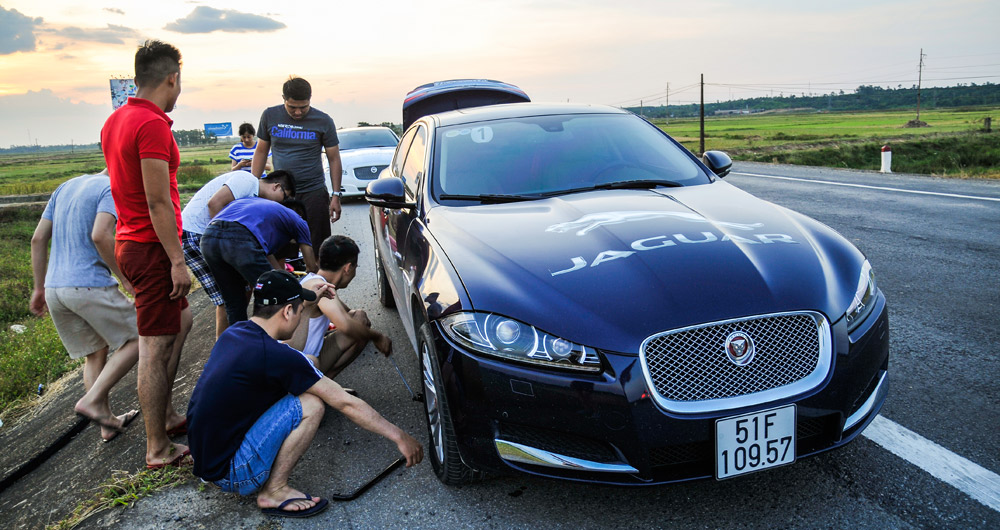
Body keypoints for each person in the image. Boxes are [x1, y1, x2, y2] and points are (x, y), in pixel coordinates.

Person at [186, 270, 422, 518]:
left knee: (309, 361)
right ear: (287, 311)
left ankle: (261, 476)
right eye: (299, 310)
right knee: (312, 403)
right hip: (234, 471)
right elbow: (345, 402)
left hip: (208, 457)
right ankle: (274, 491)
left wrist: (307, 303)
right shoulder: (275, 356)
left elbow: (289, 357)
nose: (300, 316)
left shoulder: (237, 333)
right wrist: (399, 436)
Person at [101, 39, 192, 469]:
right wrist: (177, 260)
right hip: (151, 246)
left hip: (131, 241)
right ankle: (157, 448)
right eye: (180, 79)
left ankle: (167, 416)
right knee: (154, 346)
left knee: (183, 320)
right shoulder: (153, 125)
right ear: (171, 76)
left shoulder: (115, 121)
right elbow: (158, 201)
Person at [29, 171, 140, 442]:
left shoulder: (66, 185)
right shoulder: (112, 187)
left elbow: (38, 239)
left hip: (56, 289)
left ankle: (107, 423)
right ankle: (91, 400)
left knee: (95, 351)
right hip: (88, 285)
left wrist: (39, 287)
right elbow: (101, 236)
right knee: (141, 336)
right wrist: (123, 277)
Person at [180, 170, 294, 337]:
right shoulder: (247, 180)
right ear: (277, 187)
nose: (281, 204)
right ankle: (224, 349)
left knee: (241, 290)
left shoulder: (253, 198)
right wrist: (224, 240)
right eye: (284, 198)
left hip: (206, 235)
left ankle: (235, 341)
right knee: (226, 296)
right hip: (195, 233)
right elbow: (215, 204)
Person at [251, 76, 343, 251]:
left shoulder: (323, 121)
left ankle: (317, 277)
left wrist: (336, 195)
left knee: (319, 245)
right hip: (279, 193)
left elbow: (334, 158)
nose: (298, 113)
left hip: (313, 191)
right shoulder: (270, 116)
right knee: (281, 245)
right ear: (284, 99)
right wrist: (252, 185)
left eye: (303, 107)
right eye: (292, 107)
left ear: (310, 100)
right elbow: (261, 151)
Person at [200, 197, 318, 326]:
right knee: (276, 292)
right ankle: (276, 337)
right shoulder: (299, 221)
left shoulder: (260, 212)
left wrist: (285, 279)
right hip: (239, 238)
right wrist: (315, 282)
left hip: (208, 239)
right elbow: (311, 266)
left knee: (233, 301)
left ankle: (239, 342)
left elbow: (273, 269)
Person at [286, 235, 392, 377]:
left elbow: (347, 313)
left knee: (359, 318)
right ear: (347, 268)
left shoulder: (313, 280)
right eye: (355, 267)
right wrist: (378, 337)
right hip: (296, 365)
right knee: (358, 323)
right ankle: (319, 389)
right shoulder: (320, 287)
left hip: (298, 358)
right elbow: (346, 325)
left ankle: (324, 387)